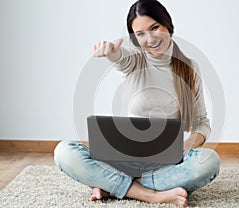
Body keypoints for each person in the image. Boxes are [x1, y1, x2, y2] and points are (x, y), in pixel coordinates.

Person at [54, 0, 220, 206]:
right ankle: (151, 194)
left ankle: (116, 186)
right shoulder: (136, 60)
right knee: (64, 152)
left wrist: (186, 147)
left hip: (163, 166)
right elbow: (120, 57)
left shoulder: (189, 68)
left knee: (209, 162)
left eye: (154, 28)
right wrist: (110, 52)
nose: (150, 39)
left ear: (167, 24)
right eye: (140, 34)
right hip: (119, 161)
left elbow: (202, 123)